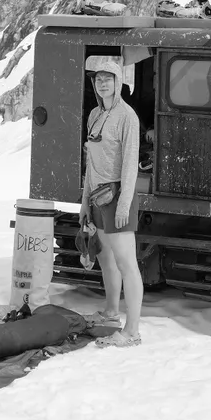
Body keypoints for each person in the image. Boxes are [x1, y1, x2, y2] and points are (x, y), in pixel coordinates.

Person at [80, 54, 143, 348]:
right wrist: (84, 205)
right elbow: (90, 164)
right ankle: (110, 312)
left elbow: (130, 164)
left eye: (108, 78)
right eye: (98, 79)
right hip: (96, 195)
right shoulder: (94, 115)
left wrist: (123, 203)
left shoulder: (127, 116)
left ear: (118, 82)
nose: (102, 83)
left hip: (118, 195)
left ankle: (132, 331)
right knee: (105, 258)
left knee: (126, 262)